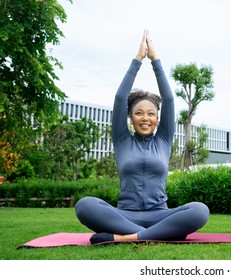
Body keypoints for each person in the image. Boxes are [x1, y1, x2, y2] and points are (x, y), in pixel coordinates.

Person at [75, 30, 209, 245]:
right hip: (124, 215)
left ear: (158, 118)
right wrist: (138, 60)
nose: (145, 118)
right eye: (139, 113)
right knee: (85, 205)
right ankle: (162, 234)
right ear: (130, 117)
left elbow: (168, 98)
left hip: (160, 214)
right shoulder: (122, 139)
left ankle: (125, 238)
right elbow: (120, 98)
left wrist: (156, 60)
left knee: (199, 211)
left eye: (151, 114)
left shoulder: (164, 139)